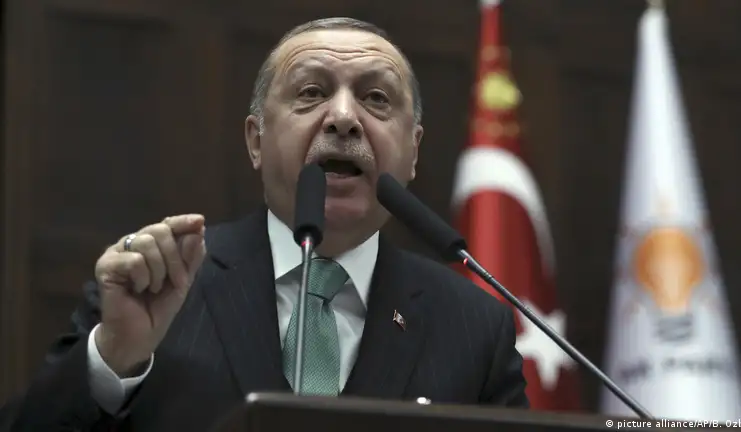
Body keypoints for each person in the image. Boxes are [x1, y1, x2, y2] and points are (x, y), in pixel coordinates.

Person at [9, 17, 528, 431]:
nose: (344, 117)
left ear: (413, 152)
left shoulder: (474, 327)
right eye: (311, 92)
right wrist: (114, 358)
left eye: (376, 98)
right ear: (256, 141)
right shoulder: (158, 283)